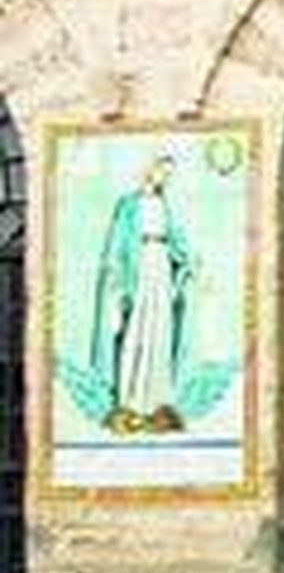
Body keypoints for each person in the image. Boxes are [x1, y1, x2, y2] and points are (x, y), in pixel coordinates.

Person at [88, 153, 195, 435]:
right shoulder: (129, 205)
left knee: (160, 331)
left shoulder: (165, 205)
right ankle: (130, 400)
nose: (165, 178)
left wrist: (187, 263)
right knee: (136, 331)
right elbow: (117, 244)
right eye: (163, 172)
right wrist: (118, 280)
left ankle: (157, 401)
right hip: (140, 267)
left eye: (169, 174)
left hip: (160, 266)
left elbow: (176, 240)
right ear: (150, 171)